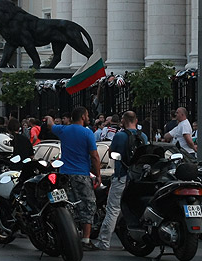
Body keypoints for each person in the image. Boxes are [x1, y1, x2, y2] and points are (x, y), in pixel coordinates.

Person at [44, 107, 101, 250]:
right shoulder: (88, 133)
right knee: (88, 205)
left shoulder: (63, 130)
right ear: (82, 117)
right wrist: (98, 174)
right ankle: (85, 240)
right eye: (87, 115)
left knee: (67, 204)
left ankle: (68, 233)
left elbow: (50, 125)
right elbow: (94, 156)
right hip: (81, 174)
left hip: (64, 174)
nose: (88, 117)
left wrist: (48, 118)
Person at [94, 110, 147, 251]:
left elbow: (111, 153)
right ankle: (134, 239)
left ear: (123, 121)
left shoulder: (119, 136)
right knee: (134, 210)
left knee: (113, 209)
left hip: (121, 176)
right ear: (136, 121)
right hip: (138, 179)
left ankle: (104, 242)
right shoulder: (144, 137)